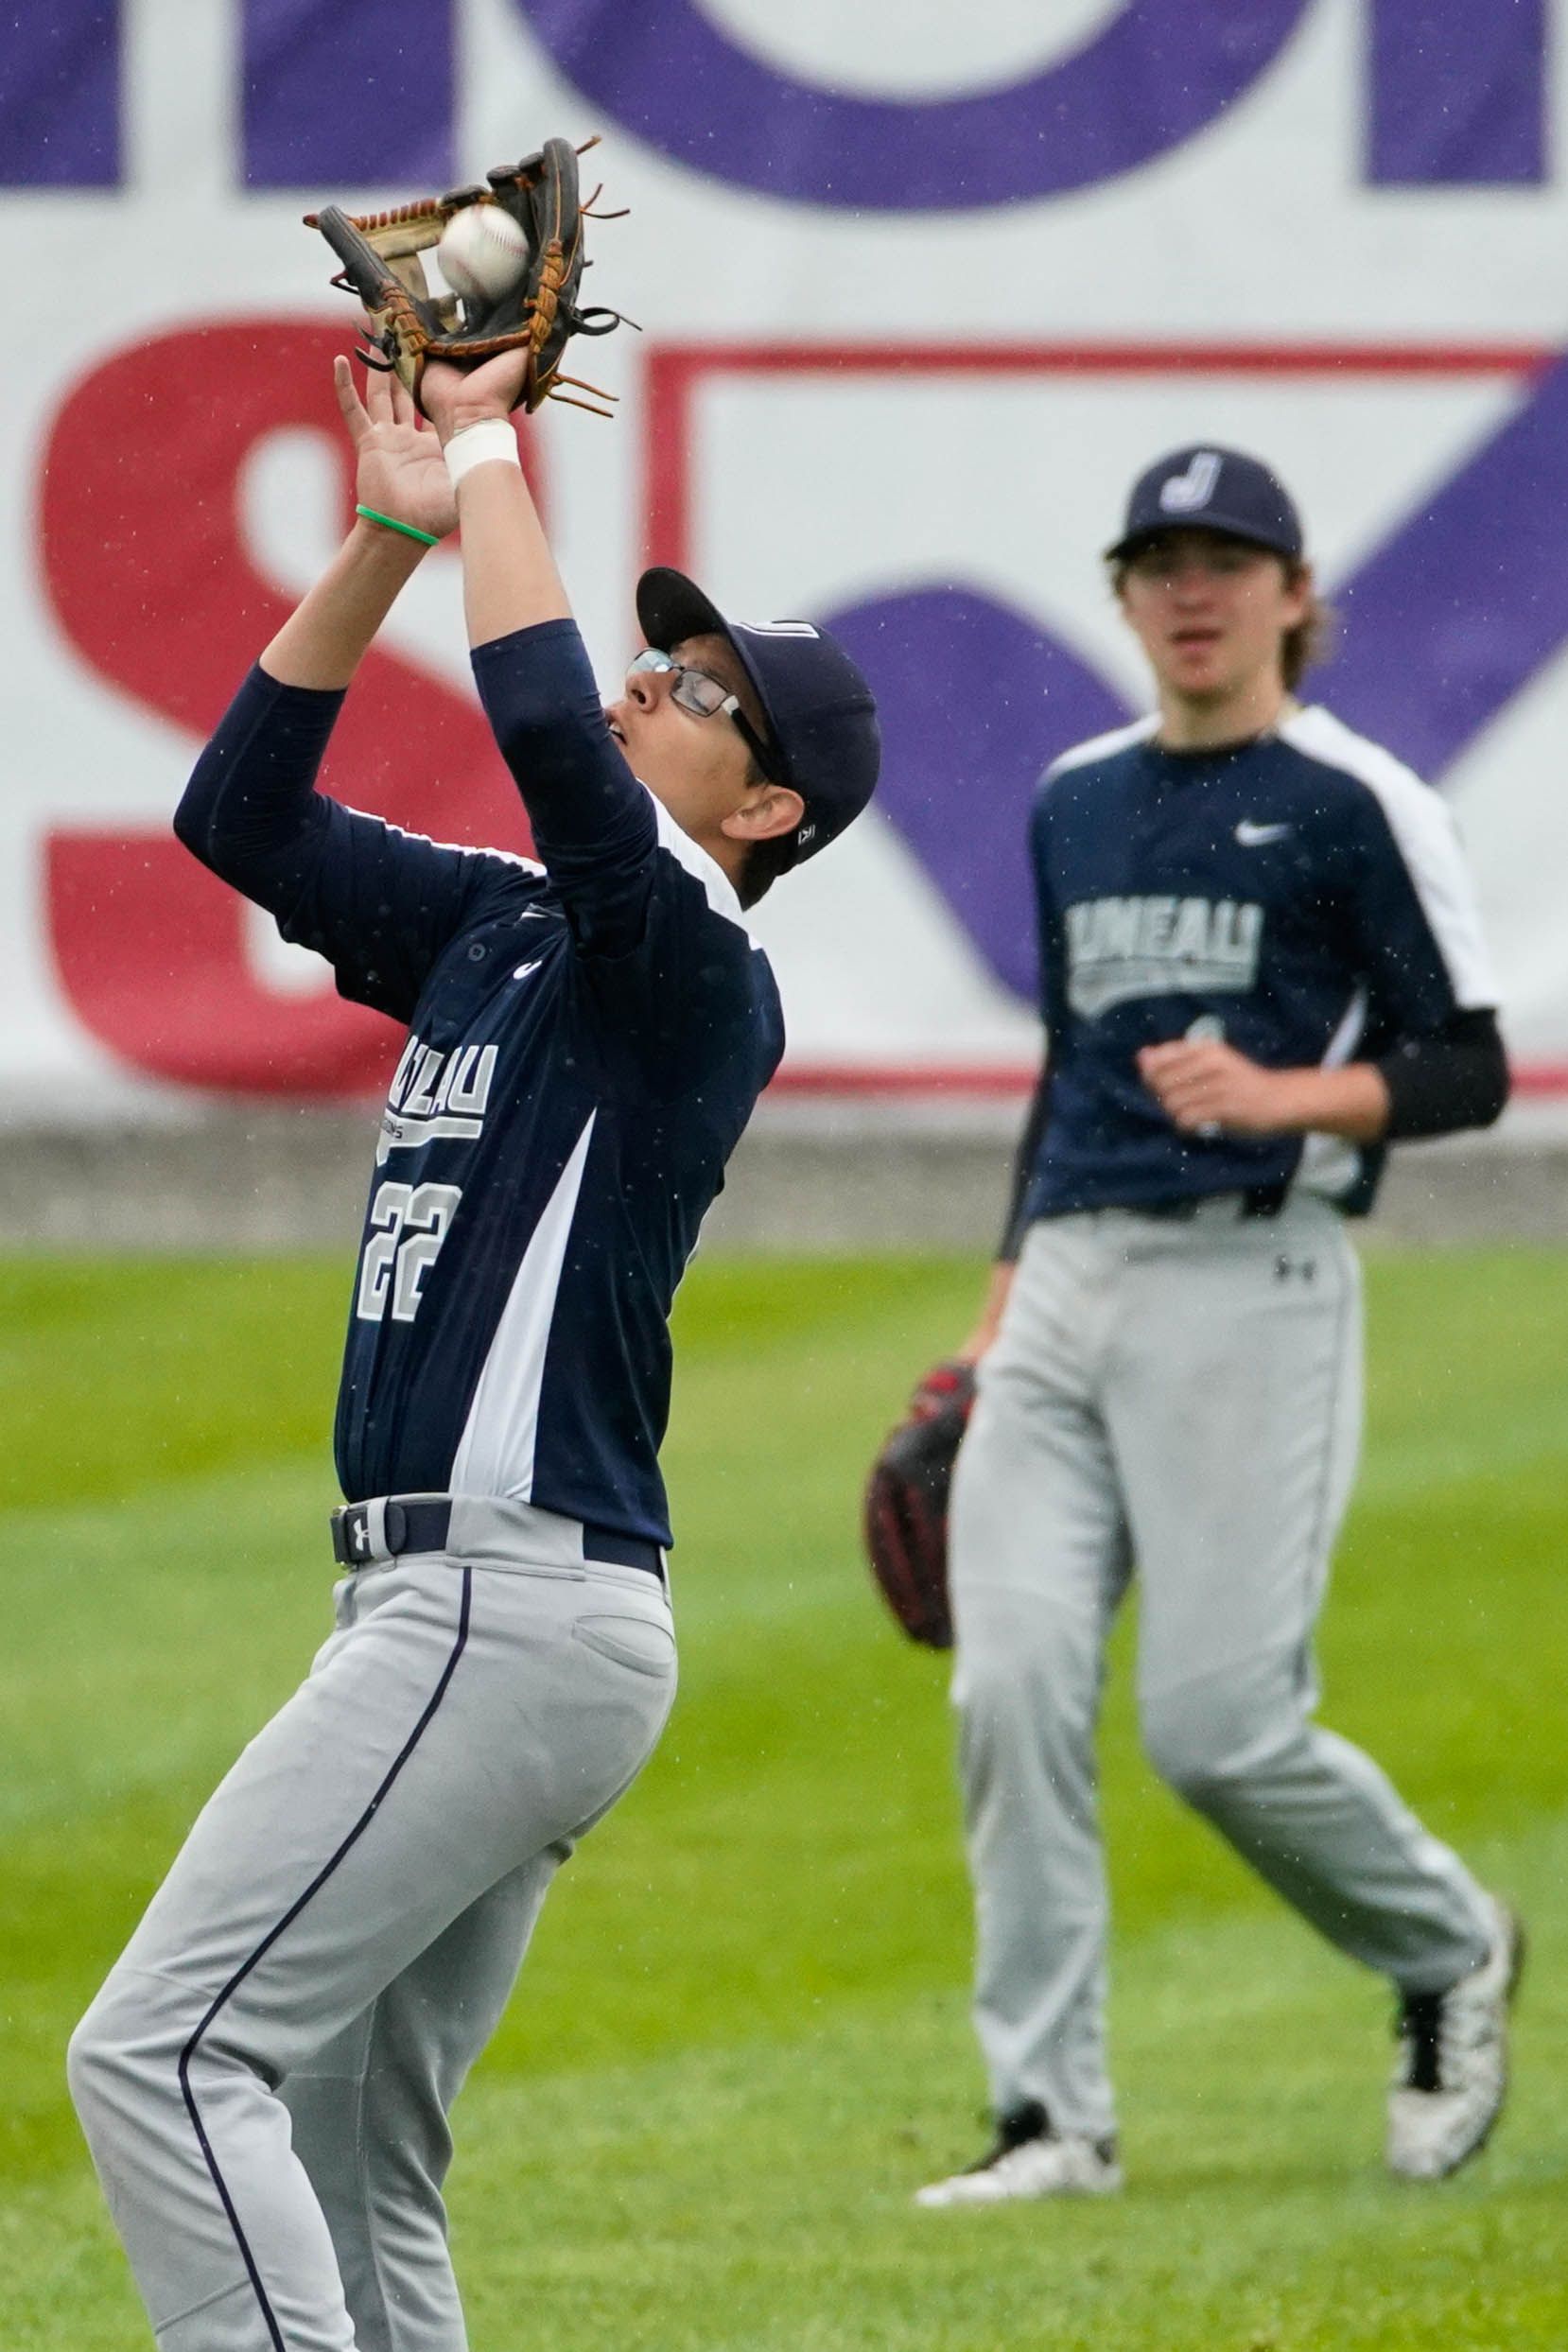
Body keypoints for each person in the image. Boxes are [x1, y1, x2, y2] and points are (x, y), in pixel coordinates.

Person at [67, 349, 879, 2349]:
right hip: (478, 1614)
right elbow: (235, 807)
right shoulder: (512, 931)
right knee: (347, 2152)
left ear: (766, 806)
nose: (639, 680)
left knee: (161, 2056)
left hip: (497, 1608)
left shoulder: (687, 964)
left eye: (695, 693)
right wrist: (391, 529)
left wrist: (498, 444)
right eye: (656, 657)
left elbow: (535, 718)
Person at [916, 444, 1518, 2208]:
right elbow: (1069, 1073)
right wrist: (1000, 1299)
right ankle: (1050, 2120)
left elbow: (1466, 1067)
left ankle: (1444, 1945)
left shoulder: (1353, 801)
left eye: (1226, 560)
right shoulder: (1074, 800)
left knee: (1215, 1728)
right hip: (1069, 1279)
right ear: (1121, 595)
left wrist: (1278, 1099)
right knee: (1006, 1686)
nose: (1193, 590)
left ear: (1293, 594)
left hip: (1249, 1284)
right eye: (1159, 561)